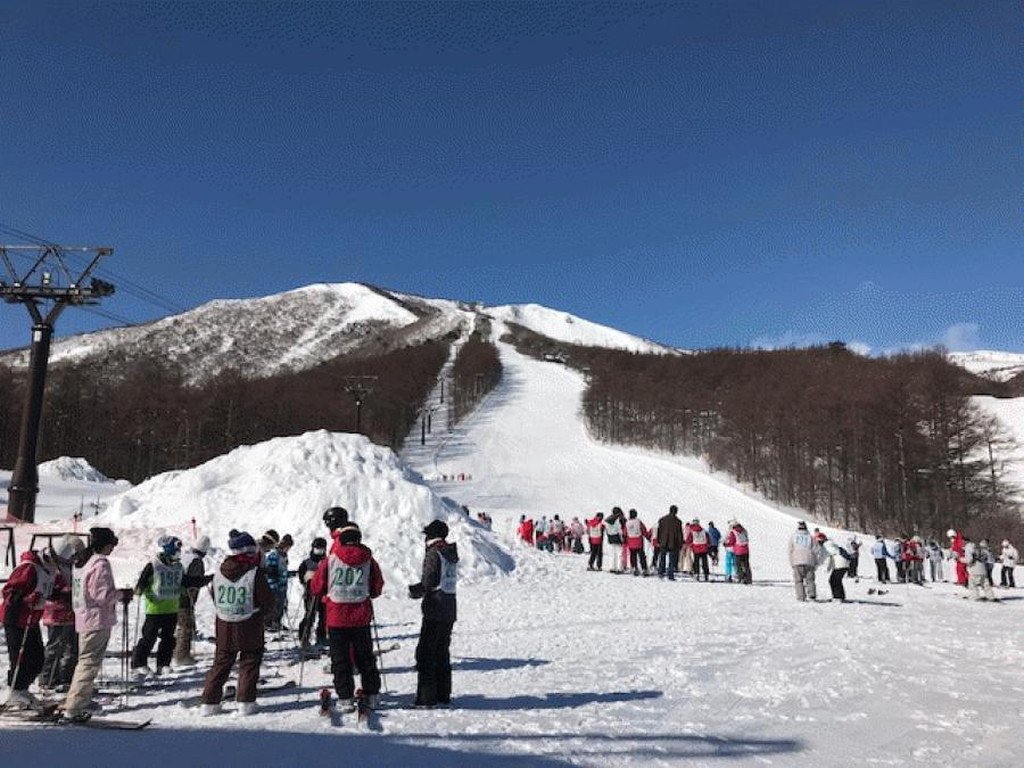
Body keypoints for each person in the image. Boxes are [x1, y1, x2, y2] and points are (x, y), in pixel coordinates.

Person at [201, 529, 274, 716]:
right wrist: (263, 613)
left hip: (224, 623)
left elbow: (215, 595)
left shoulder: (219, 571)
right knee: (250, 660)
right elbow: (267, 600)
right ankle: (246, 701)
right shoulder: (254, 573)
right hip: (249, 623)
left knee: (222, 661)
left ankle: (209, 702)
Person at [311, 522, 384, 711]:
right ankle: (373, 694)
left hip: (336, 617)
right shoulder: (368, 559)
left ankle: (345, 697)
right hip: (361, 616)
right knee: (365, 657)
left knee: (340, 658)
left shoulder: (331, 559)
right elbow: (376, 587)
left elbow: (317, 587)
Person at [64, 527, 131, 723]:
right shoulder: (100, 563)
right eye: (112, 545)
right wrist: (122, 594)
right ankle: (74, 707)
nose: (112, 549)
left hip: (84, 617)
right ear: (106, 544)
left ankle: (80, 699)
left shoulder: (81, 563)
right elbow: (102, 595)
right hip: (97, 618)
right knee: (88, 663)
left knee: (86, 661)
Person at [131, 535, 209, 677]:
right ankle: (139, 663)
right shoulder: (154, 564)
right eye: (175, 550)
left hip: (172, 608)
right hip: (155, 609)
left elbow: (189, 581)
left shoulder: (178, 566)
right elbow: (141, 583)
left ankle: (163, 664)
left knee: (168, 639)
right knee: (149, 638)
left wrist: (208, 579)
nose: (178, 552)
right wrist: (138, 591)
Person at [409, 519, 458, 708]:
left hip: (435, 606)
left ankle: (426, 697)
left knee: (426, 653)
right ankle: (443, 694)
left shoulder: (434, 552)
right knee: (442, 652)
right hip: (449, 606)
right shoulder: (450, 552)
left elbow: (429, 581)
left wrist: (416, 590)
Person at [1, 547, 58, 708]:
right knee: (21, 658)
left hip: (31, 619)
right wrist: (26, 598)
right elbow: (9, 592)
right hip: (16, 618)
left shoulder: (49, 570)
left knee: (38, 658)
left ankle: (22, 689)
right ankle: (15, 690)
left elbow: (48, 591)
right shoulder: (29, 567)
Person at [40, 535, 86, 691]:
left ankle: (66, 676)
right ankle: (47, 678)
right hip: (56, 614)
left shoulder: (69, 566)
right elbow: (48, 589)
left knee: (72, 647)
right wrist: (63, 593)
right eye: (75, 554)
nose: (76, 557)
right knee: (55, 647)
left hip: (71, 612)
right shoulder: (52, 566)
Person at [173, 535, 210, 667]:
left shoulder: (185, 556)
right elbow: (194, 582)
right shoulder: (196, 561)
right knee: (185, 627)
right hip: (185, 598)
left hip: (174, 596)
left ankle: (176, 651)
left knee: (181, 625)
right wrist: (208, 579)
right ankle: (182, 656)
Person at [298, 537, 328, 648]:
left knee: (324, 616)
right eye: (317, 549)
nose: (319, 552)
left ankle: (321, 636)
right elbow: (301, 576)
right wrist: (307, 579)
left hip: (324, 593)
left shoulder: (327, 562)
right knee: (309, 616)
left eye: (321, 550)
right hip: (311, 594)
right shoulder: (307, 563)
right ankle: (304, 637)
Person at [265, 534, 293, 631]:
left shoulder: (284, 555)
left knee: (282, 604)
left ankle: (277, 622)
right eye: (287, 547)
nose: (288, 549)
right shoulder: (274, 554)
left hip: (282, 585)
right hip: (274, 585)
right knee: (273, 605)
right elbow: (270, 571)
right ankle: (268, 623)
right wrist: (273, 584)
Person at [788, 522, 819, 602]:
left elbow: (790, 550)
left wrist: (792, 562)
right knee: (810, 580)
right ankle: (812, 595)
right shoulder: (811, 537)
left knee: (798, 581)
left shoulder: (793, 537)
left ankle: (801, 597)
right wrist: (816, 562)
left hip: (797, 561)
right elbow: (816, 550)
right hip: (809, 561)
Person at [961, 537, 997, 602]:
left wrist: (960, 559)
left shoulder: (968, 548)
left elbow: (969, 560)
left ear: (965, 541)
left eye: (962, 541)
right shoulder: (977, 547)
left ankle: (975, 597)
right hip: (983, 568)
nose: (961, 543)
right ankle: (991, 597)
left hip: (974, 569)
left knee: (972, 584)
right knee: (986, 585)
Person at [818, 533, 850, 602]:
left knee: (834, 580)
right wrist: (828, 568)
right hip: (844, 564)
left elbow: (822, 558)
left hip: (840, 564)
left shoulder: (826, 546)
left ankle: (837, 597)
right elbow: (831, 558)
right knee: (836, 580)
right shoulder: (832, 544)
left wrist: (816, 564)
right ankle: (841, 596)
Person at [656, 506, 683, 580]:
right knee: (672, 560)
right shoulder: (678, 521)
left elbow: (659, 531)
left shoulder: (662, 519)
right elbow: (679, 534)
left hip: (663, 541)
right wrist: (680, 544)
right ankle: (670, 575)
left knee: (662, 558)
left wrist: (658, 540)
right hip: (673, 543)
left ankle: (660, 572)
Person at [624, 509, 649, 576]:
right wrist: (648, 537)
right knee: (641, 556)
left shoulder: (627, 523)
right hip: (639, 541)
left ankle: (634, 567)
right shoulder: (638, 522)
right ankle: (644, 569)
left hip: (630, 541)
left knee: (633, 555)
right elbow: (643, 530)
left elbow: (625, 533)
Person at [604, 508, 625, 574]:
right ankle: (619, 568)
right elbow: (621, 529)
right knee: (620, 553)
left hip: (610, 537)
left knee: (612, 554)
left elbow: (606, 529)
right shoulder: (619, 519)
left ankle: (612, 567)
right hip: (618, 537)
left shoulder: (607, 519)